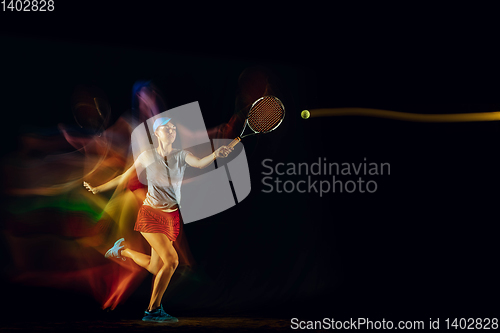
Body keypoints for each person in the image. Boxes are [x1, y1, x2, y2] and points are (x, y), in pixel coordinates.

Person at [83, 117, 233, 322]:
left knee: (156, 267)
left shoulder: (182, 155)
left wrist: (216, 154)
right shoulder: (147, 156)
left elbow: (199, 164)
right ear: (157, 133)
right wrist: (98, 188)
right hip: (150, 215)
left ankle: (122, 250)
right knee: (172, 261)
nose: (171, 130)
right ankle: (153, 310)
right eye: (166, 128)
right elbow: (124, 177)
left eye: (173, 128)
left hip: (171, 217)